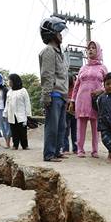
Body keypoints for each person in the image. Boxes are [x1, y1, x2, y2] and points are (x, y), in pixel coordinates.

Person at [69, 41, 108, 158]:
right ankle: (80, 150)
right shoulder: (82, 68)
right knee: (80, 125)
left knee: (95, 126)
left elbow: (108, 84)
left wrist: (101, 90)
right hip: (81, 99)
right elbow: (76, 86)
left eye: (93, 48)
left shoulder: (103, 68)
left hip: (96, 101)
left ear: (98, 51)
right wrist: (72, 101)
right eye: (88, 48)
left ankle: (95, 150)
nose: (90, 50)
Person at [39, 16, 69, 162]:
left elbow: (64, 76)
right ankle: (49, 154)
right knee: (52, 126)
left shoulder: (60, 52)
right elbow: (47, 75)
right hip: (54, 94)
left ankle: (57, 151)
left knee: (61, 126)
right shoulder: (49, 51)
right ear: (51, 34)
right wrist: (46, 96)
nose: (61, 35)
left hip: (62, 95)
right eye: (59, 32)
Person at [3, 74, 32, 150]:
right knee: (14, 131)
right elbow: (7, 103)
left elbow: (27, 103)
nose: (9, 82)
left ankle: (25, 145)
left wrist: (28, 114)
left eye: (10, 81)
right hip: (12, 115)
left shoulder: (23, 91)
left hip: (21, 115)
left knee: (22, 131)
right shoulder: (9, 92)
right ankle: (15, 145)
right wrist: (5, 113)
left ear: (15, 81)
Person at [63, 73, 77, 154]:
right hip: (67, 111)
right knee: (66, 131)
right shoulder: (64, 88)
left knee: (74, 131)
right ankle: (66, 148)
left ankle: (75, 148)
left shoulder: (76, 87)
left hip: (74, 111)